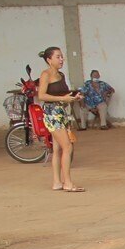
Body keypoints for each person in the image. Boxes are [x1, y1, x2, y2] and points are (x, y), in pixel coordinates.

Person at [37, 47, 84, 191]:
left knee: (57, 149)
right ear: (49, 60)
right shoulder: (45, 75)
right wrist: (62, 98)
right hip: (52, 113)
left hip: (61, 111)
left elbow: (63, 94)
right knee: (67, 146)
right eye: (58, 57)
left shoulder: (61, 75)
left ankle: (57, 182)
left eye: (62, 57)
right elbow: (42, 96)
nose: (61, 59)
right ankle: (68, 183)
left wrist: (72, 97)